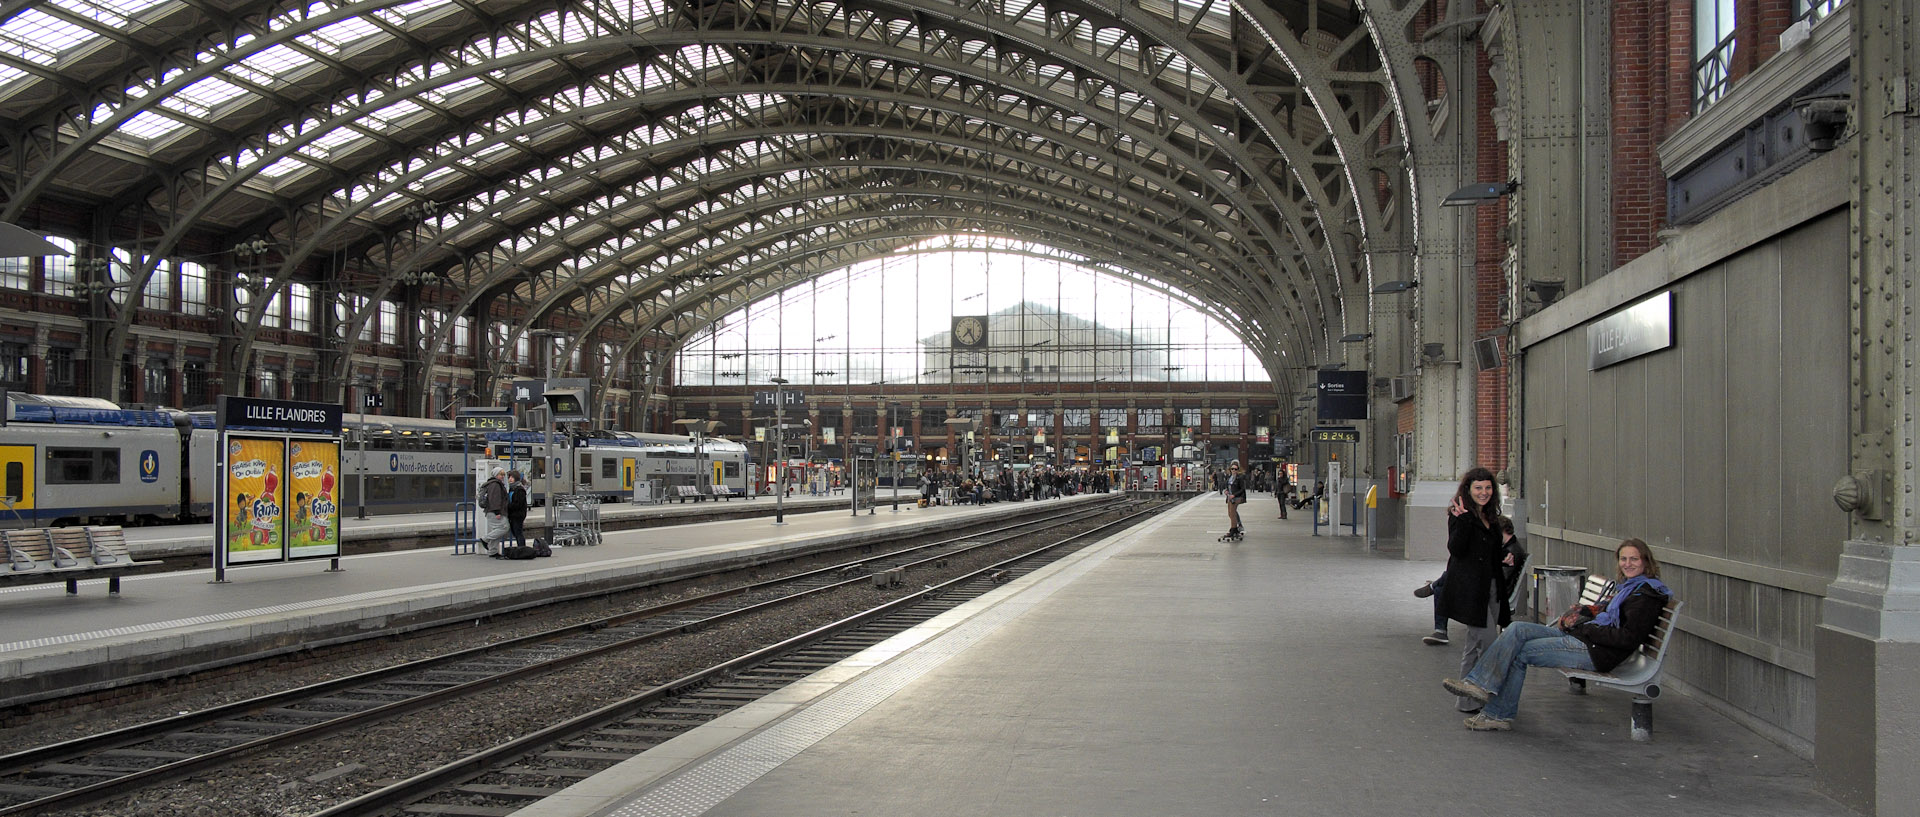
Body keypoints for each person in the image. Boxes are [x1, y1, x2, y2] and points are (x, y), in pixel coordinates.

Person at [1444, 538, 1672, 731]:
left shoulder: (1645, 596)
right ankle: (1481, 687)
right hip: (1585, 641)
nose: (1628, 564)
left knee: (1520, 652)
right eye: (1624, 559)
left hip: (1596, 652)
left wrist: (1587, 629)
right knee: (1517, 629)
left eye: (1634, 559)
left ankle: (1497, 712)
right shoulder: (1630, 587)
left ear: (1645, 561)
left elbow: (1628, 638)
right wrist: (1583, 621)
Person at [1437, 467, 1522, 713]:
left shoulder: (1492, 516)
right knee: (1490, 642)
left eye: (1487, 488)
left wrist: (1504, 556)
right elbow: (1457, 549)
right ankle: (1489, 696)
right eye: (1478, 488)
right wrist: (1463, 521)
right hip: (1471, 589)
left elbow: (1489, 550)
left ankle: (1466, 700)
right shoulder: (1460, 514)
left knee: (1474, 643)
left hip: (1492, 587)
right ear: (1468, 490)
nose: (1483, 493)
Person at [1419, 516, 1524, 647]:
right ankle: (1436, 588)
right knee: (1451, 577)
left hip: (1491, 590)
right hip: (1490, 586)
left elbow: (1498, 576)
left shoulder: (1510, 551)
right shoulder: (1510, 547)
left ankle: (1435, 591)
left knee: (1448, 580)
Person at [479, 466, 509, 557]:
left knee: (497, 530)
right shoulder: (495, 485)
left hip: (492, 511)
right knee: (504, 527)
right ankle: (485, 539)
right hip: (495, 511)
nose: (503, 476)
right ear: (496, 475)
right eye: (501, 474)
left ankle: (493, 551)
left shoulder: (493, 483)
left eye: (503, 475)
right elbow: (494, 499)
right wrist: (497, 512)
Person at [505, 469, 530, 550]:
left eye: (512, 477)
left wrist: (507, 506)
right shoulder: (511, 489)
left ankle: (522, 549)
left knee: (518, 532)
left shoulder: (520, 489)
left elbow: (518, 504)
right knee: (515, 532)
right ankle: (521, 548)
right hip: (512, 514)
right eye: (509, 477)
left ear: (516, 478)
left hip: (518, 514)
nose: (510, 479)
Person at [1222, 461, 1248, 537]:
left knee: (1233, 513)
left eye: (1235, 469)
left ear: (1238, 470)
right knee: (1230, 513)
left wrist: (1234, 495)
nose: (1233, 470)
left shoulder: (1239, 478)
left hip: (1237, 498)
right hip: (1230, 497)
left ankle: (1233, 529)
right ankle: (1236, 528)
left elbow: (1242, 489)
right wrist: (1226, 491)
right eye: (1232, 469)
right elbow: (1228, 486)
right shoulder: (1229, 477)